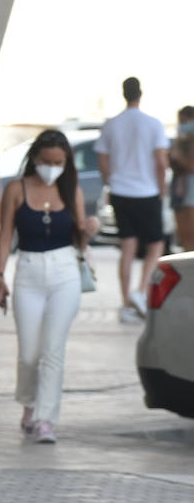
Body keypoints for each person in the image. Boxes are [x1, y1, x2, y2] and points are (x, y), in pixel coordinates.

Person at [0, 130, 98, 443]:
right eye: (46, 161)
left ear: (66, 163)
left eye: (58, 163)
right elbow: (5, 234)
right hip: (28, 271)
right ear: (35, 158)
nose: (51, 168)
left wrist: (88, 231)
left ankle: (45, 419)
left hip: (65, 272)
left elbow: (80, 240)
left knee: (53, 350)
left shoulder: (71, 190)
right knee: (29, 353)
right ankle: (29, 403)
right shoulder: (17, 188)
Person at [96, 77, 169, 322]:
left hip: (120, 191)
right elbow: (161, 162)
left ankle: (126, 301)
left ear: (123, 93)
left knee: (127, 247)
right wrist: (161, 190)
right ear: (141, 93)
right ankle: (141, 291)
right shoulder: (153, 124)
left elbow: (103, 160)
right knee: (155, 245)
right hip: (147, 192)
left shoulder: (112, 124)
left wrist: (111, 182)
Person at [171, 105, 194, 252]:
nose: (182, 125)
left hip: (190, 191)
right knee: (184, 236)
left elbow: (191, 166)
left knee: (190, 233)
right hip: (180, 189)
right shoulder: (181, 140)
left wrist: (178, 156)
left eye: (185, 121)